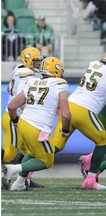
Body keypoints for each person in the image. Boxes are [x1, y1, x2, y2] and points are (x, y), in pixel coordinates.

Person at [50, 48, 106, 190]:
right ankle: (90, 179)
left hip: (70, 106)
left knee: (54, 146)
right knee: (103, 141)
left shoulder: (93, 64)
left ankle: (22, 173)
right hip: (84, 110)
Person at [2, 56, 71, 191]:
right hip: (38, 128)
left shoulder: (31, 81)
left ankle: (20, 183)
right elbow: (66, 115)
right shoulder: (59, 83)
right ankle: (13, 169)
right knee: (47, 161)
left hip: (23, 124)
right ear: (57, 71)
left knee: (33, 153)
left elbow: (11, 106)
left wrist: (16, 123)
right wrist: (65, 130)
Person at [1, 47, 46, 189]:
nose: (38, 64)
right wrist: (32, 114)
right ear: (27, 60)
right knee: (9, 155)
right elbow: (20, 100)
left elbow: (9, 89)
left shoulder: (19, 70)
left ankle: (24, 179)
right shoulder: (27, 74)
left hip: (17, 118)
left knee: (30, 151)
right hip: (14, 118)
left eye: (39, 61)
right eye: (36, 61)